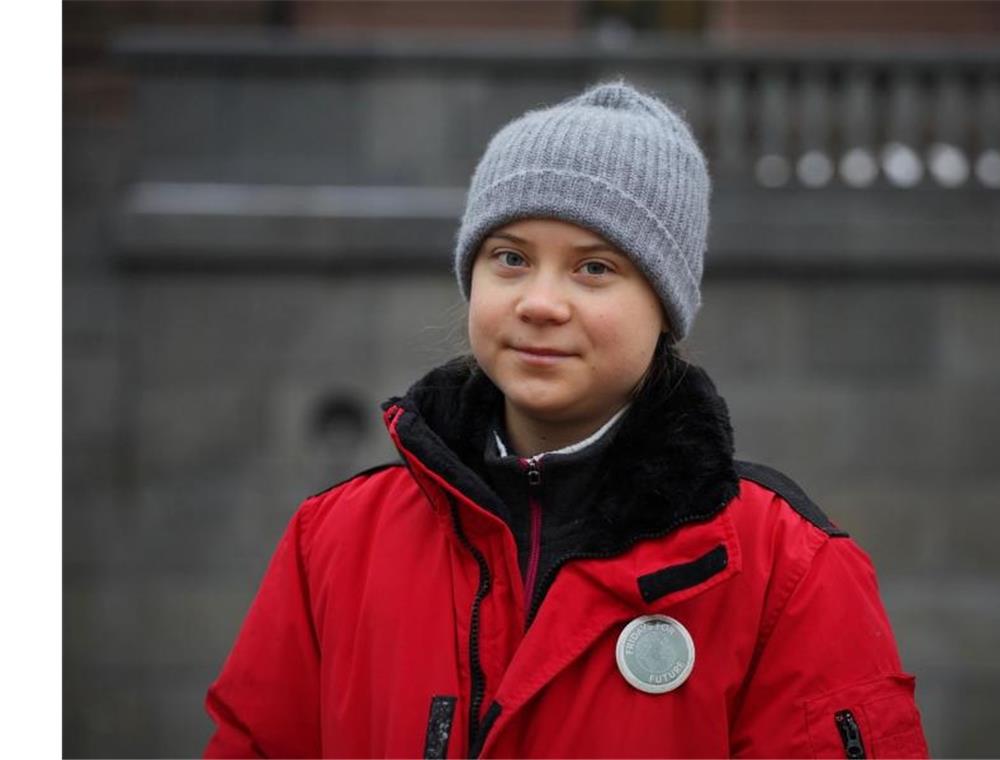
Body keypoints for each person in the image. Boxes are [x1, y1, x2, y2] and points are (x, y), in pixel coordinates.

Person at [204, 80, 930, 758]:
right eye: (511, 258)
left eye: (594, 268)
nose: (541, 302)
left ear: (666, 307)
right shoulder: (333, 541)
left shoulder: (784, 567)